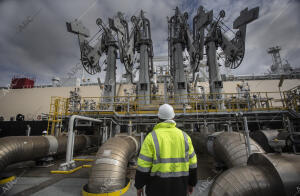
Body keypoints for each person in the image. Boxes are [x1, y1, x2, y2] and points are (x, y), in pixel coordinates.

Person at [135, 104, 198, 196]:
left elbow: (143, 165)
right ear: (173, 117)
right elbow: (193, 164)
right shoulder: (185, 137)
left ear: (158, 117)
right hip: (180, 187)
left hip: (156, 188)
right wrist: (192, 183)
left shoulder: (151, 137)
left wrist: (139, 186)